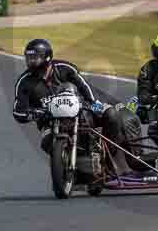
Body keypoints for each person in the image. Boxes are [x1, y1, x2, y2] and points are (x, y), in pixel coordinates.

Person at [13, 39, 138, 170]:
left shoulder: (65, 68)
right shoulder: (24, 82)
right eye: (29, 58)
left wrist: (93, 102)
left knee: (111, 114)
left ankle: (108, 156)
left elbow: (84, 86)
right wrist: (34, 114)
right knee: (47, 142)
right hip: (49, 123)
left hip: (80, 114)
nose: (31, 62)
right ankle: (66, 165)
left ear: (47, 57)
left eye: (35, 58)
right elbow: (17, 111)